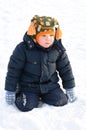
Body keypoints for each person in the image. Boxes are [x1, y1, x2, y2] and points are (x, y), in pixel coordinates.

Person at [5, 15, 76, 112]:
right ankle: (23, 94)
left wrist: (70, 87)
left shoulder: (57, 49)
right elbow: (14, 70)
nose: (48, 39)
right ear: (35, 35)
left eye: (51, 35)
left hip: (50, 86)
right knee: (26, 106)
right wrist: (10, 90)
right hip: (28, 87)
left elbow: (66, 69)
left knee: (61, 101)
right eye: (44, 35)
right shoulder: (23, 49)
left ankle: (43, 96)